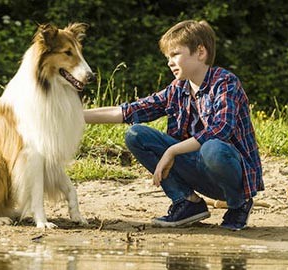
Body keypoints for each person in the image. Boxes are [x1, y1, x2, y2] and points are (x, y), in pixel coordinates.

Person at [84, 20, 264, 230]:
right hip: (200, 173)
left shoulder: (225, 82)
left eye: (175, 54)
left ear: (200, 53)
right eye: (168, 57)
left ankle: (238, 204)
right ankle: (187, 202)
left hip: (232, 175)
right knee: (136, 134)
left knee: (213, 147)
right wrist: (74, 115)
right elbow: (130, 111)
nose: (169, 62)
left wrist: (172, 151)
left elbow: (220, 129)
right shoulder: (177, 88)